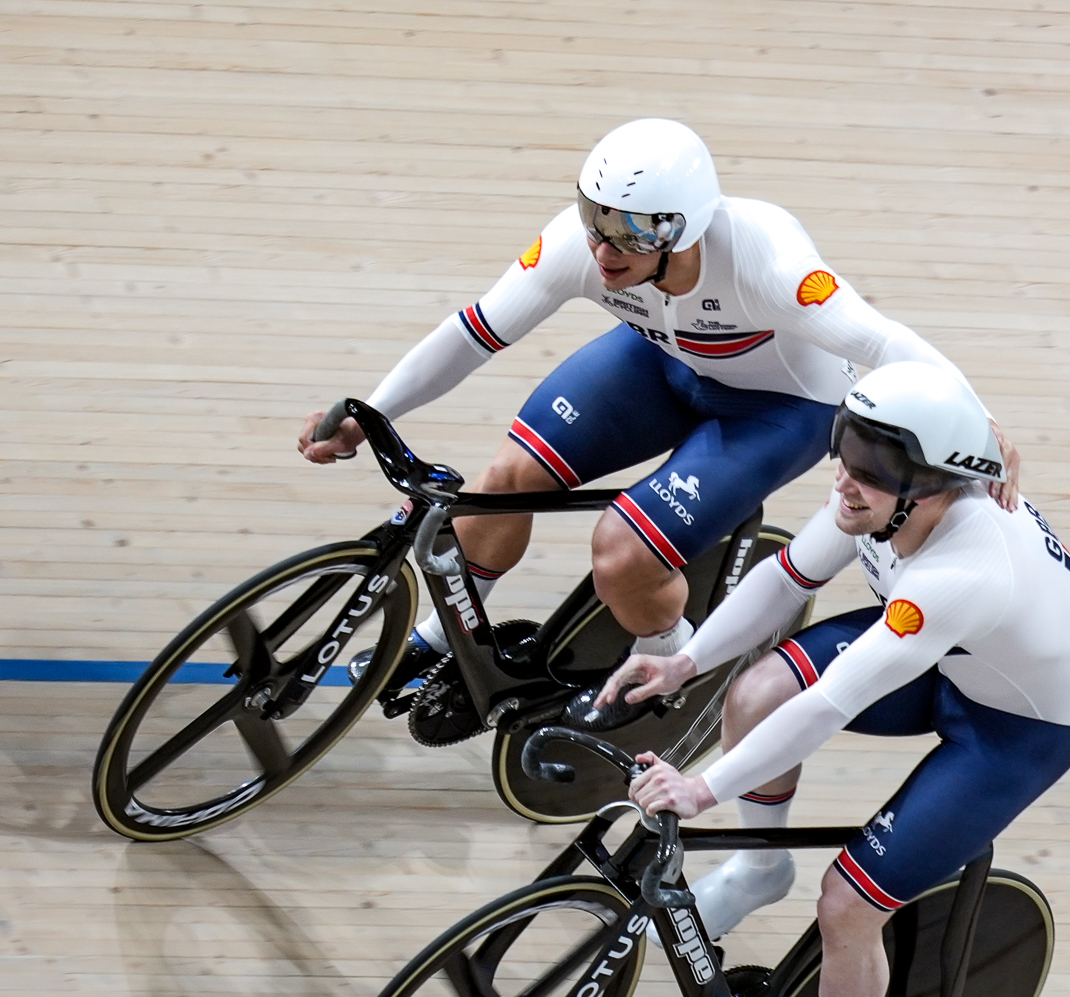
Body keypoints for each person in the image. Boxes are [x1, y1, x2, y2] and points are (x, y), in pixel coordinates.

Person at [297, 118, 1019, 716]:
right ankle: (447, 633)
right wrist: (372, 411)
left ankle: (665, 666)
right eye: (594, 219)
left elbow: (883, 341)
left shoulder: (768, 261)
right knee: (505, 479)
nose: (604, 249)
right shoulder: (581, 247)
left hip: (780, 408)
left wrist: (980, 429)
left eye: (632, 233)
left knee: (623, 554)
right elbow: (474, 330)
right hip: (663, 366)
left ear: (683, 228)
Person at [601, 360, 1070, 997]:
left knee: (848, 903)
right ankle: (761, 865)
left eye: (876, 464)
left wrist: (703, 788)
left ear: (937, 485)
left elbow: (832, 702)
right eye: (848, 445)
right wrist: (685, 661)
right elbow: (784, 577)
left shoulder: (965, 567)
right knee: (758, 690)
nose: (849, 475)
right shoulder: (874, 495)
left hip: (1016, 727)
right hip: (956, 663)